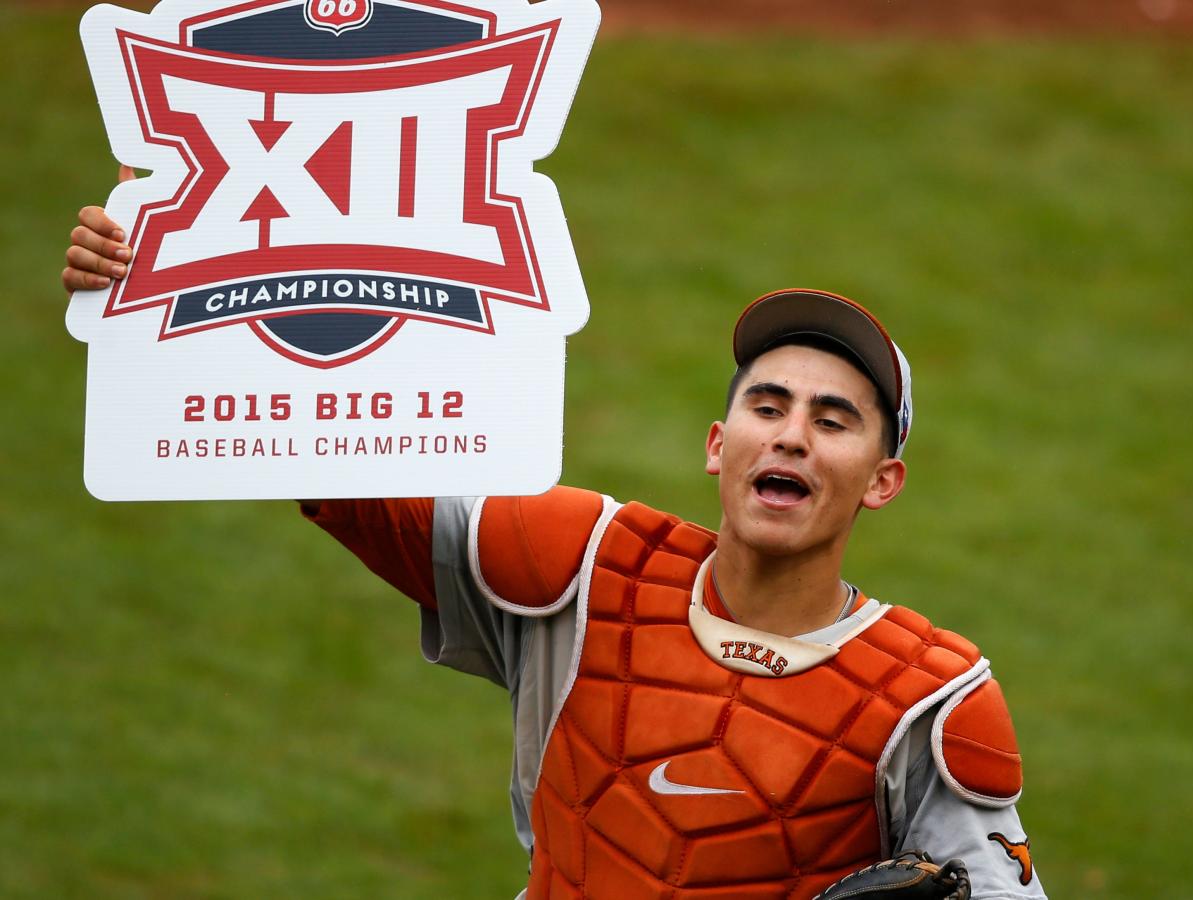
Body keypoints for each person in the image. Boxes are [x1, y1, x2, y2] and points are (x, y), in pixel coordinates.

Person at [64, 210, 1047, 899]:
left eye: (834, 421)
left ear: (882, 479)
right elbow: (339, 459)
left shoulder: (933, 698)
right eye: (767, 406)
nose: (790, 436)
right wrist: (164, 283)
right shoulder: (583, 570)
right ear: (719, 444)